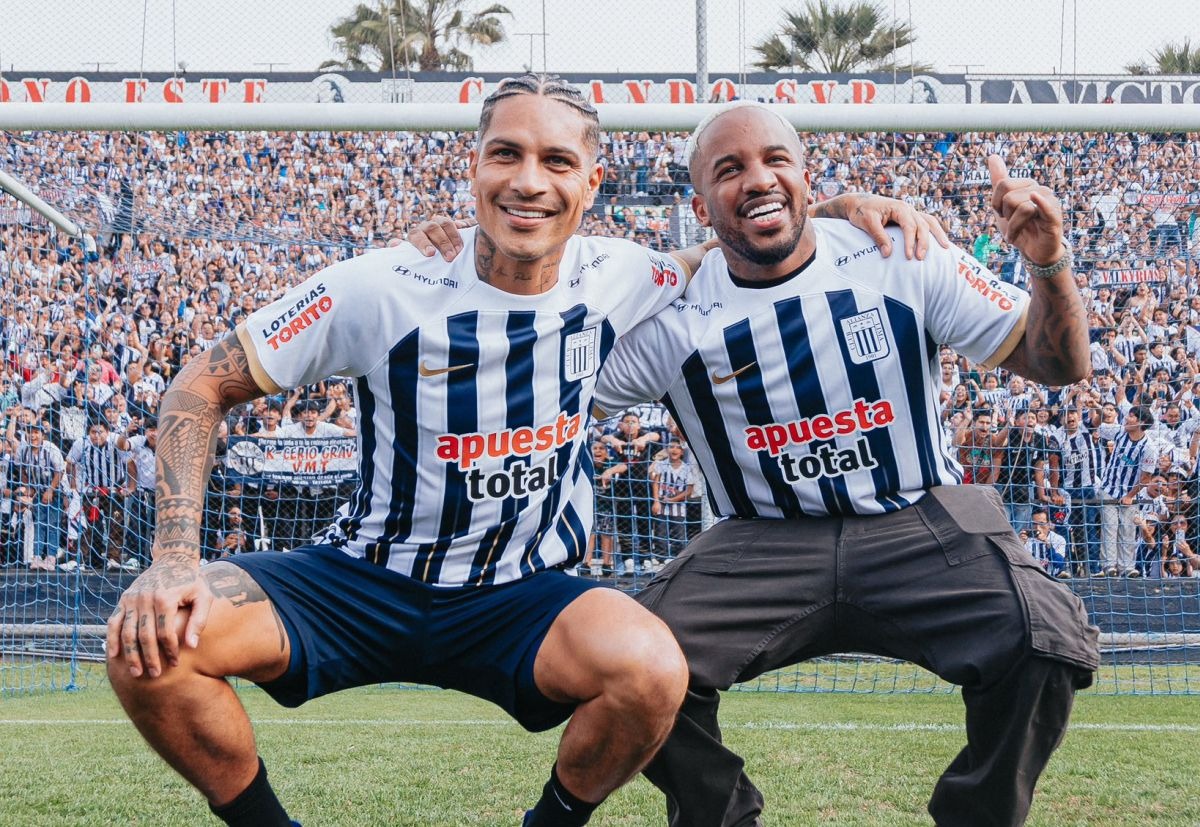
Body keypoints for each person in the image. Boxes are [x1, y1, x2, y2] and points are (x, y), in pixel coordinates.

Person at [105, 73, 693, 827]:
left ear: (592, 180)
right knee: (145, 644)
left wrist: (833, 214)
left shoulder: (624, 273)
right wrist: (175, 557)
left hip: (517, 596)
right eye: (505, 154)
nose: (527, 181)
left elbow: (725, 254)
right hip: (360, 583)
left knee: (652, 669)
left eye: (556, 161)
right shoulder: (381, 286)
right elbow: (197, 386)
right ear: (472, 166)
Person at [585, 102, 1100, 827]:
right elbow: (555, 393)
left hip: (917, 522)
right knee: (621, 665)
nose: (757, 179)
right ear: (700, 204)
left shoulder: (899, 251)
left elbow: (1058, 363)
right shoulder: (673, 314)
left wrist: (1048, 261)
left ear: (805, 174)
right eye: (729, 170)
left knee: (1044, 636)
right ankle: (722, 816)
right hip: (758, 540)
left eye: (775, 160)